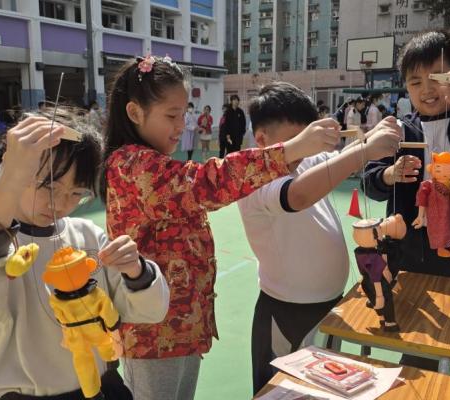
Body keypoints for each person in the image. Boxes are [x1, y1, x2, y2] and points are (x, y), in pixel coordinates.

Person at [101, 55, 343, 400]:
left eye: (183, 114)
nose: (180, 125)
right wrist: (291, 149)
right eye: (171, 116)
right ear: (135, 113)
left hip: (179, 325)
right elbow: (207, 183)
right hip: (153, 332)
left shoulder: (151, 162)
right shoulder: (130, 165)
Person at [0, 108, 169, 399]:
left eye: (77, 193)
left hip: (103, 387)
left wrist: (137, 272)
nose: (60, 203)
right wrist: (11, 177)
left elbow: (149, 310)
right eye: (48, 186)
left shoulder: (88, 236)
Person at [238, 82, 401, 394]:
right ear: (262, 140)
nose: (306, 150)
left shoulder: (304, 160)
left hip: (329, 306)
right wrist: (365, 150)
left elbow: (329, 164)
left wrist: (370, 137)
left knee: (323, 388)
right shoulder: (253, 178)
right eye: (298, 142)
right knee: (278, 391)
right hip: (287, 313)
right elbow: (297, 195)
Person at [361, 29, 450, 378]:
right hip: (415, 263)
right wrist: (389, 174)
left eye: (437, 78)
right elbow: (370, 182)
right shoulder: (398, 131)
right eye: (415, 81)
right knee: (419, 358)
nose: (427, 89)